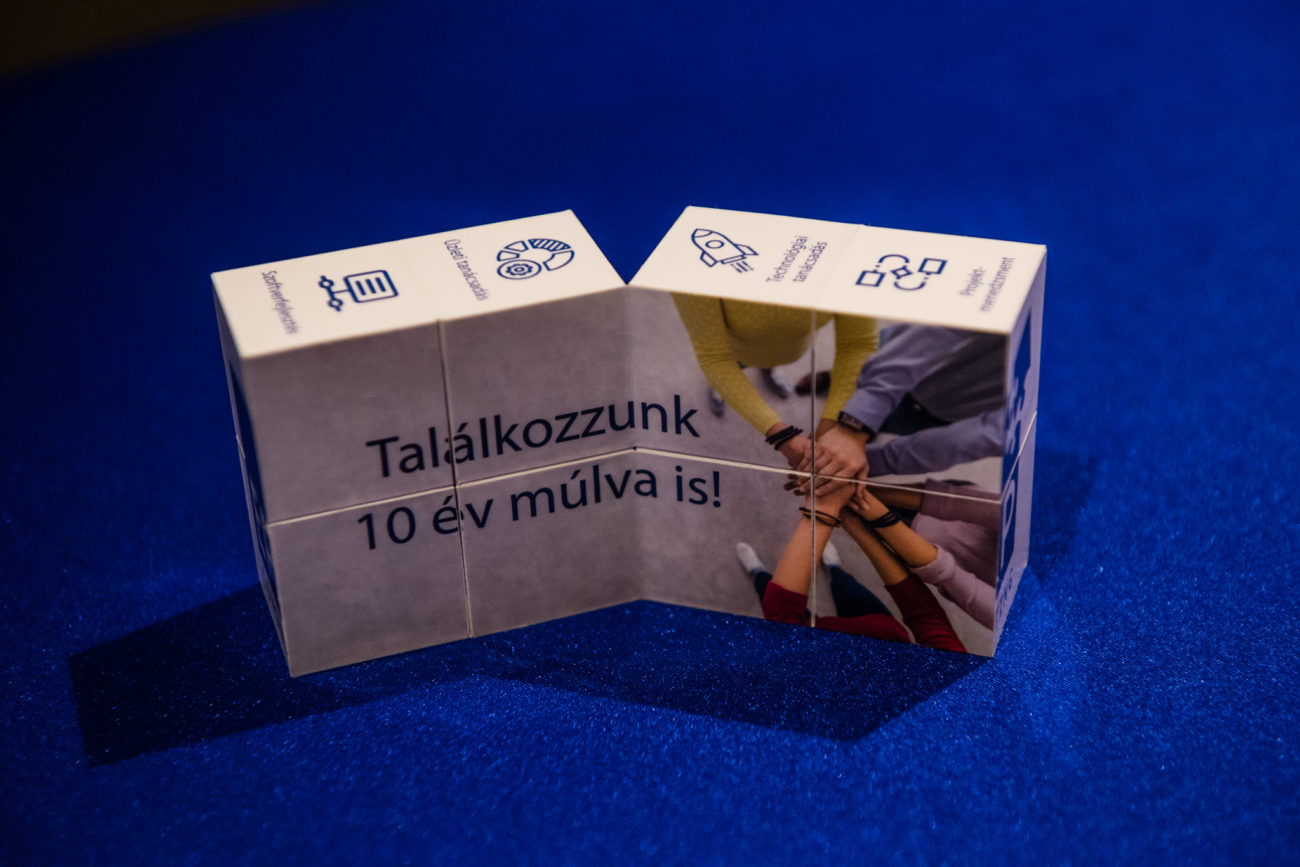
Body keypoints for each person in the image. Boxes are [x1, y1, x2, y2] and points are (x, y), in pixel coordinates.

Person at [735, 480, 965, 651]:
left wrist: (823, 511)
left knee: (768, 593)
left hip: (822, 636)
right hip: (880, 626)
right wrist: (852, 522)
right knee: (844, 583)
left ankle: (757, 571)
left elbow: (783, 619)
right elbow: (928, 619)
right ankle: (834, 567)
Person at [672, 293, 877, 485]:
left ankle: (769, 370)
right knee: (732, 370)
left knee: (770, 362)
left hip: (790, 350)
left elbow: (857, 343)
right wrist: (782, 437)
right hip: (737, 352)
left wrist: (826, 430)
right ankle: (719, 386)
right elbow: (715, 357)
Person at [833, 323, 1006, 477]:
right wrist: (856, 422)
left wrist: (869, 460)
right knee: (850, 371)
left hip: (944, 410)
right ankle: (833, 377)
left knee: (877, 422)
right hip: (902, 350)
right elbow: (943, 324)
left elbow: (987, 436)